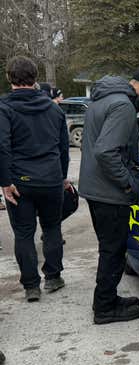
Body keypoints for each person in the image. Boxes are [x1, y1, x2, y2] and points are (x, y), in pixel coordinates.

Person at [78, 65, 139, 324]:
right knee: (113, 250)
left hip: (96, 187)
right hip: (109, 191)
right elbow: (106, 152)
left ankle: (107, 298)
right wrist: (129, 184)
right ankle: (105, 307)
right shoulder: (122, 106)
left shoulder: (106, 97)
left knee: (110, 247)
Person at [0, 56, 70, 302]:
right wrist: (62, 177)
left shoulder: (4, 108)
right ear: (35, 78)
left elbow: (2, 146)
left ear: (9, 78)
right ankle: (53, 276)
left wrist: (5, 181)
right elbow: (63, 148)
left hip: (20, 182)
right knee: (52, 228)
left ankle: (31, 286)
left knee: (24, 233)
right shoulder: (53, 108)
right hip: (51, 179)